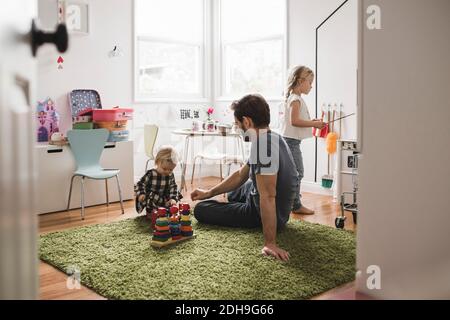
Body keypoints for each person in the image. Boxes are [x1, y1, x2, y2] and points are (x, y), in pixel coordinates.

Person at [191, 94, 298, 261]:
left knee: (200, 209)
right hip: (278, 208)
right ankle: (233, 202)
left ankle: (244, 215)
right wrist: (209, 192)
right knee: (235, 192)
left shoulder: (263, 148)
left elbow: (268, 197)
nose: (237, 129)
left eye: (237, 124)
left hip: (259, 214)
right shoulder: (271, 136)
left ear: (247, 122)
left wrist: (270, 243)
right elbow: (241, 174)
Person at [279, 66, 326, 215]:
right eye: (310, 83)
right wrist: (314, 124)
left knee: (295, 173)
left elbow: (297, 120)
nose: (311, 86)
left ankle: (292, 203)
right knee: (297, 173)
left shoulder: (294, 98)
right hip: (291, 142)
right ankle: (296, 205)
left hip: (291, 141)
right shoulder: (295, 99)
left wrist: (312, 121)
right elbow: (294, 121)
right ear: (300, 81)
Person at [135, 146, 183, 214]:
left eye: (171, 169)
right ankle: (151, 212)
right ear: (157, 162)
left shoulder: (170, 175)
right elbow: (140, 184)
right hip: (152, 198)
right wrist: (141, 194)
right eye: (164, 169)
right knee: (150, 197)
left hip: (164, 198)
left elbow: (173, 187)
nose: (167, 171)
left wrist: (173, 198)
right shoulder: (151, 174)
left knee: (172, 200)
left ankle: (167, 210)